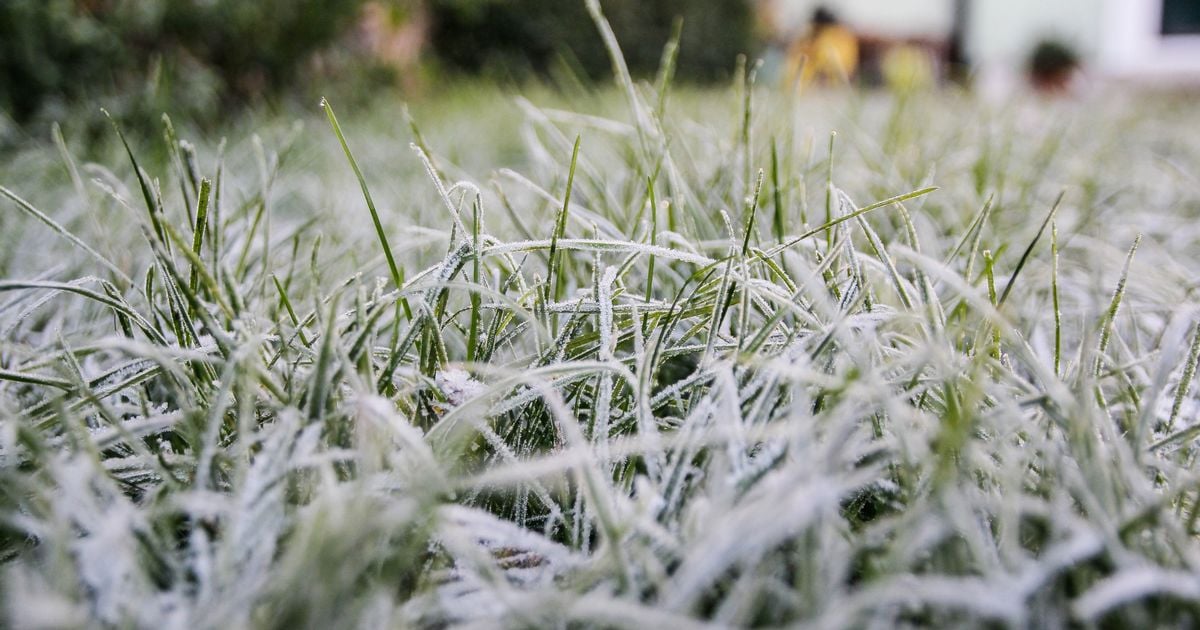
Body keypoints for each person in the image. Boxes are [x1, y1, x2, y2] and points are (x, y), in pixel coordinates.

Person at [785, 6, 859, 90]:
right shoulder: (811, 38)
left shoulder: (831, 38)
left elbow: (826, 63)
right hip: (810, 83)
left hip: (826, 85)